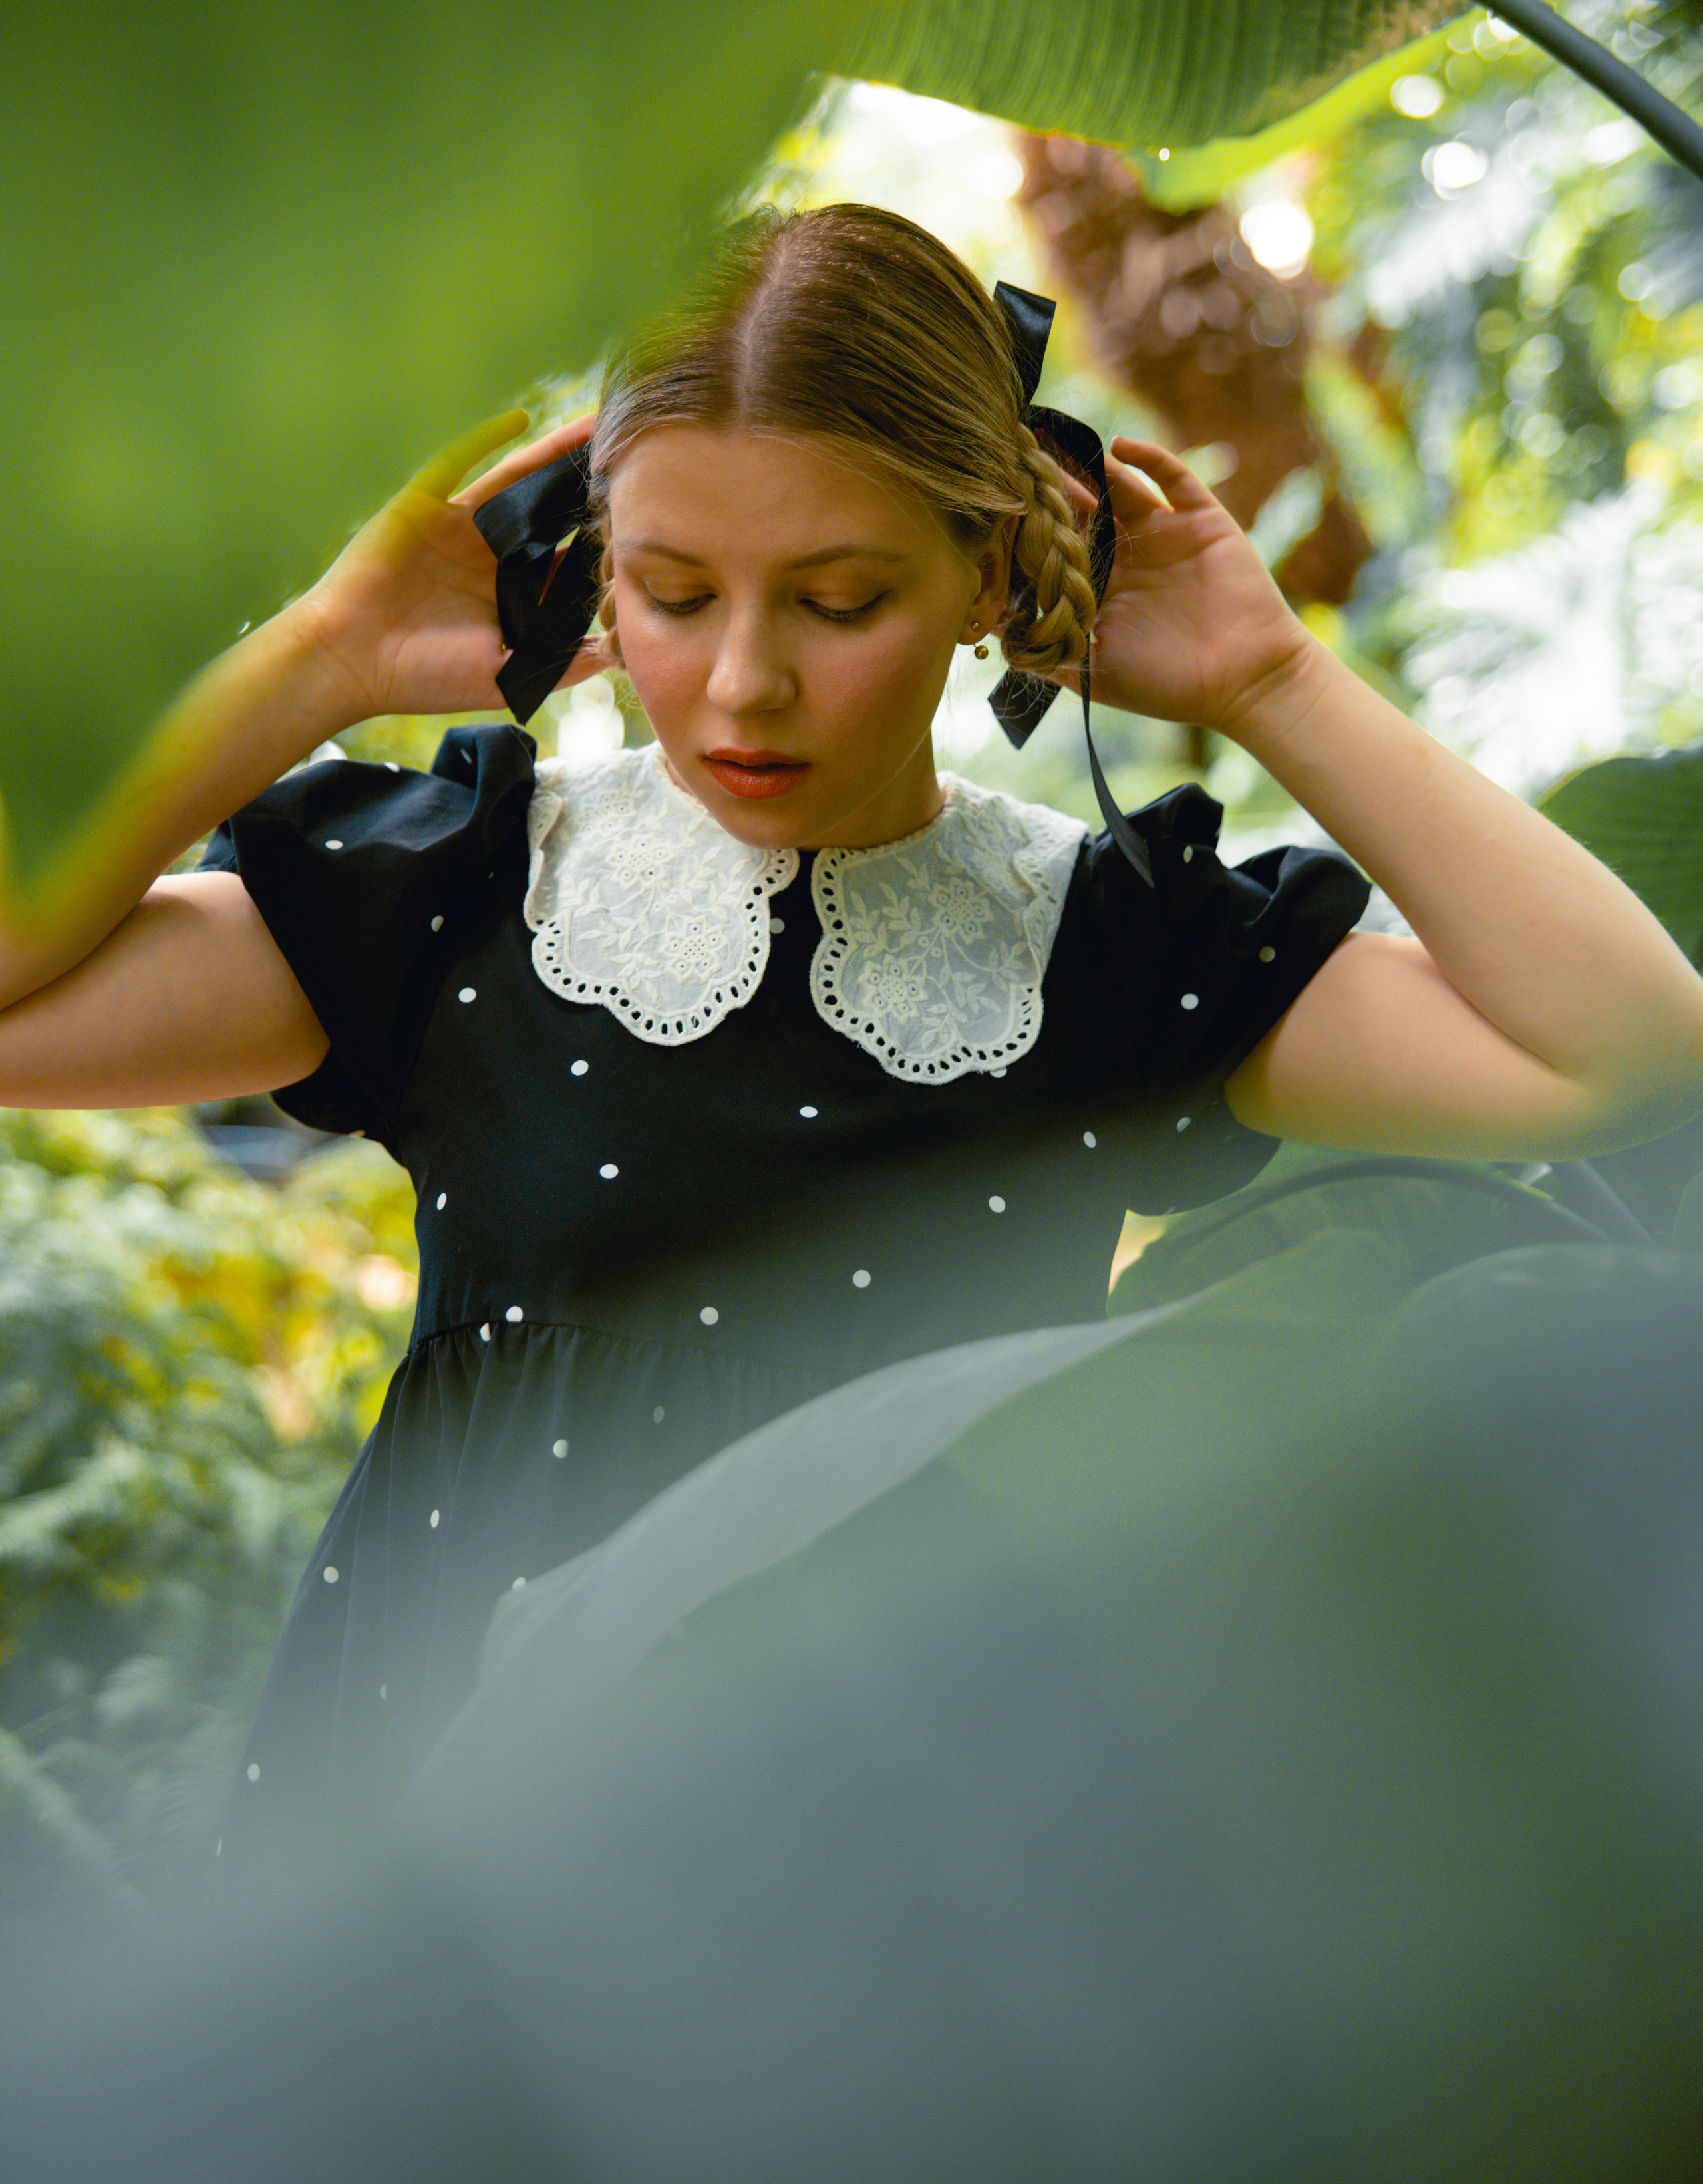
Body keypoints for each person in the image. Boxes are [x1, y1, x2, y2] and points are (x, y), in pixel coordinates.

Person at [2, 202, 1700, 1880]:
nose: (743, 680)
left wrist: (1270, 681)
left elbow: (1619, 1048)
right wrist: (324, 656)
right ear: (596, 571)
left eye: (835, 599)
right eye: (674, 592)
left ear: (986, 573)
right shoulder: (469, 887)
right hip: (435, 1817)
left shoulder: (1108, 944)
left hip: (897, 1866)